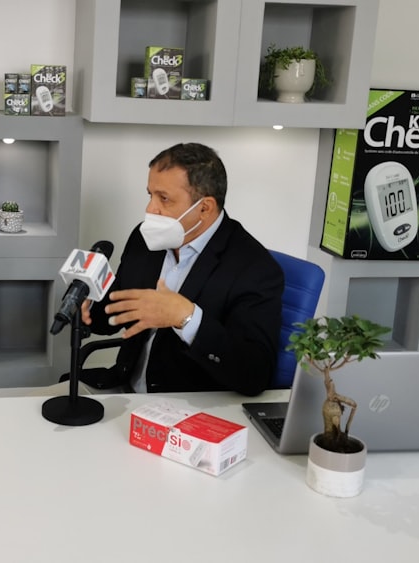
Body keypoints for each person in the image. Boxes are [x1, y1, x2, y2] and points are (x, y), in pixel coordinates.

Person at [83, 142, 283, 396]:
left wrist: (188, 318)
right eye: (150, 195)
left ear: (204, 208)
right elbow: (113, 316)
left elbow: (254, 374)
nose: (150, 209)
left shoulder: (255, 268)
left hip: (191, 408)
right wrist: (88, 303)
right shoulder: (145, 240)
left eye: (163, 198)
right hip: (124, 390)